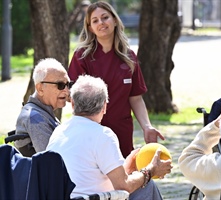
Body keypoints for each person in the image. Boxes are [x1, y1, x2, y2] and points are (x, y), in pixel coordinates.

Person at [46, 75, 172, 199]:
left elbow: (87, 175)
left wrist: (125, 169)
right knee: (147, 185)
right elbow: (124, 187)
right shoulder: (103, 135)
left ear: (72, 103)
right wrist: (150, 170)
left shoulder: (58, 132)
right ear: (104, 106)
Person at [68, 1, 164, 158]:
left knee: (123, 178)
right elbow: (73, 98)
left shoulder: (129, 57)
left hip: (122, 132)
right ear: (90, 28)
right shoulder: (82, 57)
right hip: (91, 133)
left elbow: (136, 98)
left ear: (114, 20)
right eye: (95, 20)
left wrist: (147, 127)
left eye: (105, 17)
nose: (101, 23)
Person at [15, 58, 70, 156]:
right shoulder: (35, 118)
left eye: (68, 84)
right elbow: (51, 161)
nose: (66, 91)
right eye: (60, 85)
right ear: (40, 88)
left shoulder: (42, 112)